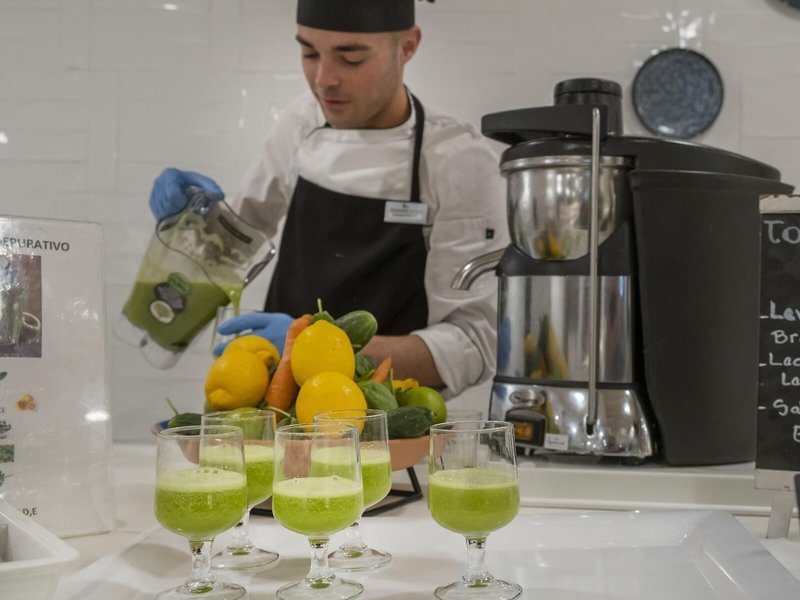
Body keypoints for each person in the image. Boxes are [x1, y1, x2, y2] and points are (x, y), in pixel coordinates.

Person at [148, 0, 509, 397]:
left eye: (351, 59)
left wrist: (315, 348)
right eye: (309, 53)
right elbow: (229, 245)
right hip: (280, 410)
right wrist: (189, 218)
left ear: (407, 46)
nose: (323, 80)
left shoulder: (458, 161)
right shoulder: (301, 123)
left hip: (386, 423)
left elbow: (474, 343)